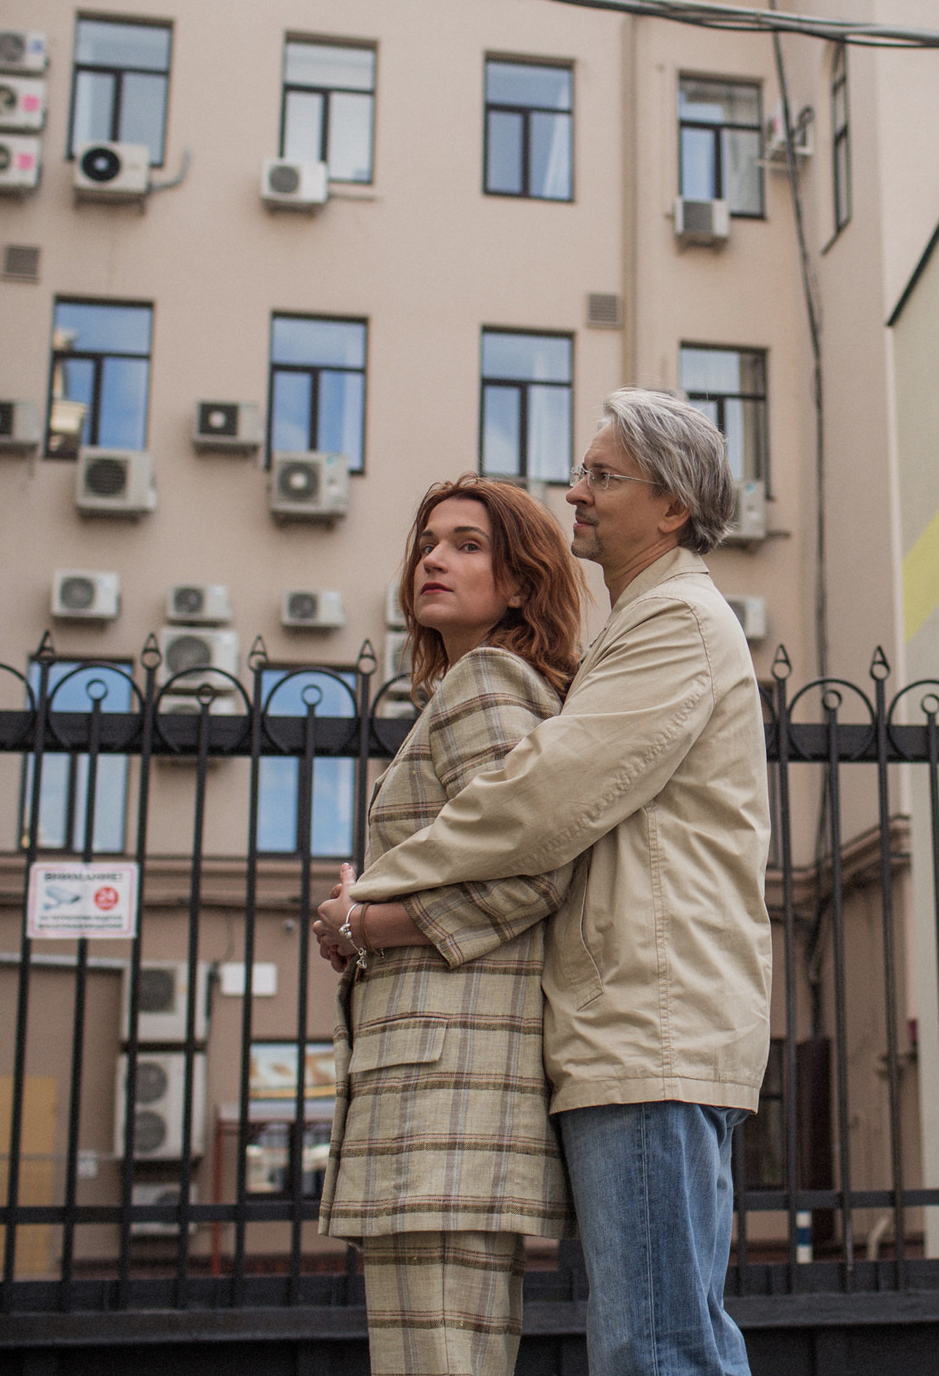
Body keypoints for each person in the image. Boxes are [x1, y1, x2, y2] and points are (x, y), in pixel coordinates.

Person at [351, 388, 772, 1376]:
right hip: (628, 1026)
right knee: (663, 1343)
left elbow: (548, 797)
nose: (574, 492)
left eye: (600, 476)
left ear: (671, 505)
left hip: (649, 1026)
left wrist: (374, 900)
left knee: (658, 1350)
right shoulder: (645, 623)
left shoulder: (676, 621)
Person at [310, 475, 585, 1376]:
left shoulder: (486, 683)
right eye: (430, 541)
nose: (434, 556)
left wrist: (364, 925)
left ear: (519, 583)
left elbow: (534, 870)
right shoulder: (473, 689)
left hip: (444, 1115)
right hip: (437, 1111)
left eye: (468, 543)